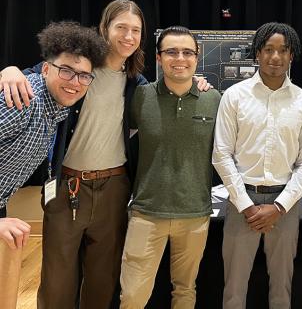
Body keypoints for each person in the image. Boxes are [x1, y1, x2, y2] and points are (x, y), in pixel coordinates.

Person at [212, 22, 302, 309]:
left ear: (291, 55)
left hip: (285, 202)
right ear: (257, 53)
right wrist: (246, 205)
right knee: (234, 288)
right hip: (240, 202)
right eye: (268, 49)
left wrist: (280, 206)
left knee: (282, 288)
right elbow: (221, 155)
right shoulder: (235, 96)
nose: (275, 56)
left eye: (283, 50)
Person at [119, 26, 221, 309]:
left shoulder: (214, 100)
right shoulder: (140, 97)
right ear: (159, 57)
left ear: (197, 58)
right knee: (132, 296)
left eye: (187, 52)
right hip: (146, 213)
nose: (180, 58)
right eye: (171, 51)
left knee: (186, 291)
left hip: (195, 214)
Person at [0, 21, 107, 250]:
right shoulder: (23, 100)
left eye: (84, 76)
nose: (75, 83)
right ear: (46, 69)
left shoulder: (57, 110)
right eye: (66, 71)